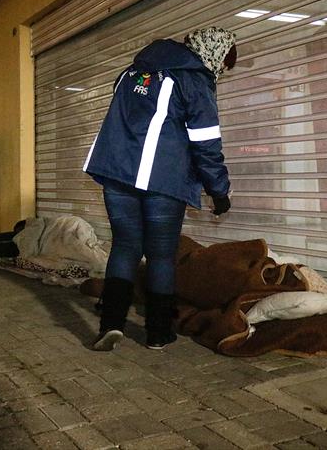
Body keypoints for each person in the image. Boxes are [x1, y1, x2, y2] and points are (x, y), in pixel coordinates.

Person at [83, 26, 237, 351]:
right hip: (162, 179)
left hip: (117, 172)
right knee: (161, 256)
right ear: (214, 53)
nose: (220, 71)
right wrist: (219, 191)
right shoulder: (193, 79)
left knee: (124, 247)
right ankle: (157, 332)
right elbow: (206, 142)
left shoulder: (133, 71)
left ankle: (111, 325)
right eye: (223, 63)